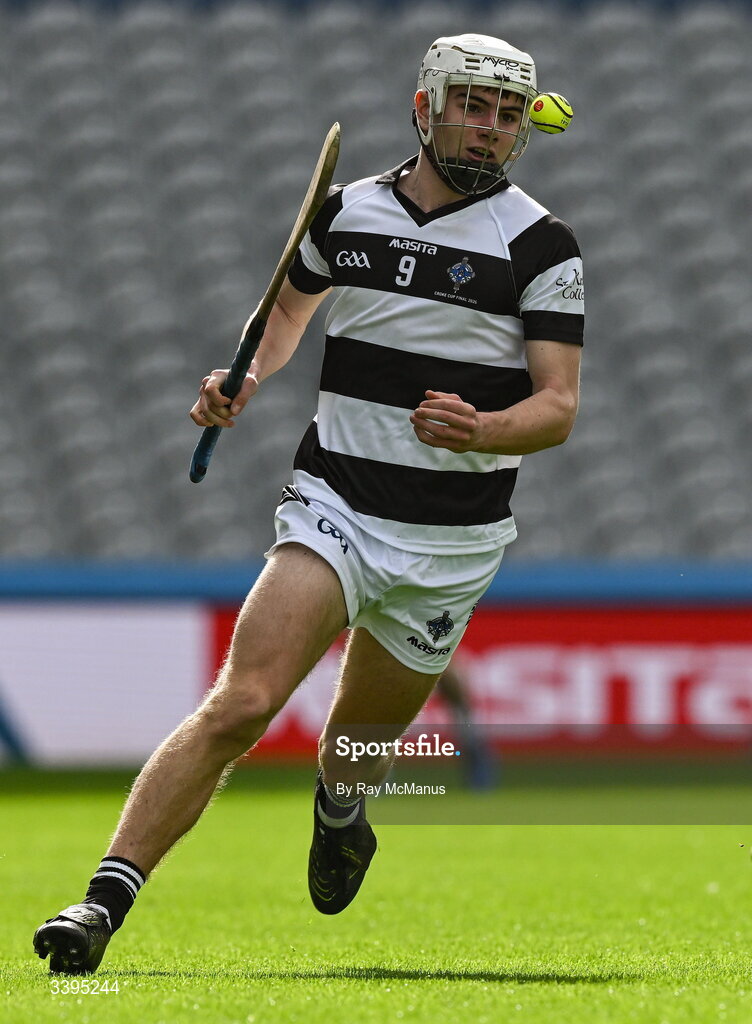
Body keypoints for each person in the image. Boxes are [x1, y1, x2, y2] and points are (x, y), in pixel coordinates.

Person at [34, 32, 583, 974]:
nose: (489, 129)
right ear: (426, 106)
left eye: (505, 114)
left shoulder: (540, 244)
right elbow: (285, 317)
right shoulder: (348, 212)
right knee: (243, 702)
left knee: (353, 750)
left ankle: (340, 804)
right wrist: (242, 379)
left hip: (448, 542)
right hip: (335, 502)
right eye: (472, 106)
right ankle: (100, 902)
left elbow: (558, 407)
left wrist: (483, 431)